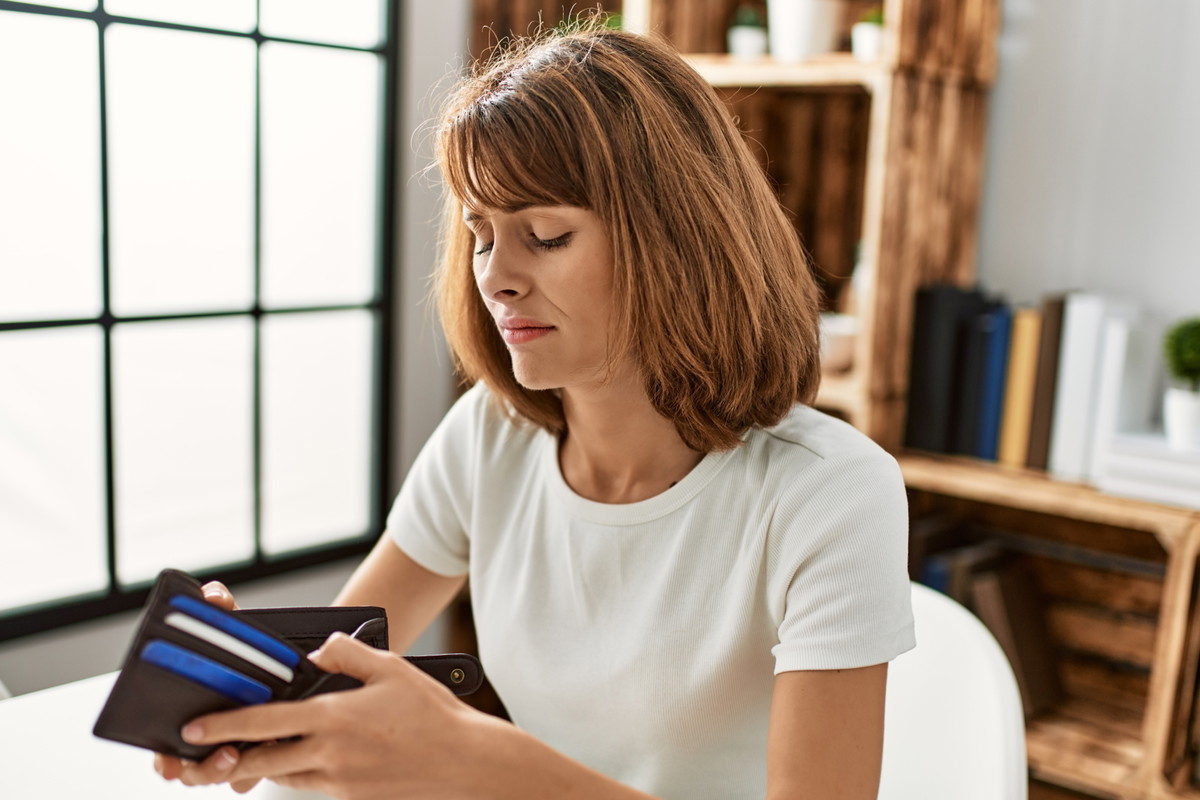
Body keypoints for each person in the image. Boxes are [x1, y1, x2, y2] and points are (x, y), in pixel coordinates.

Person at [155, 21, 914, 800]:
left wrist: (473, 759)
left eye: (546, 235)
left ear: (677, 239)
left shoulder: (830, 492)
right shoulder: (492, 436)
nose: (496, 277)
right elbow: (336, 675)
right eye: (482, 235)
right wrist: (248, 684)